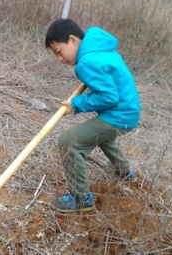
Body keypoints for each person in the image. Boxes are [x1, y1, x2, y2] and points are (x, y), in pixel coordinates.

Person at [45, 18, 141, 213]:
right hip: (129, 110)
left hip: (119, 114)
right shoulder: (97, 46)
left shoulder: (86, 62)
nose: (60, 59)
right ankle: (124, 173)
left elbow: (109, 97)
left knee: (69, 141)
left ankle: (80, 197)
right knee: (101, 134)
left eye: (59, 52)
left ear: (72, 40)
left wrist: (77, 104)